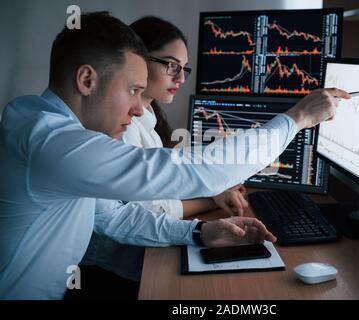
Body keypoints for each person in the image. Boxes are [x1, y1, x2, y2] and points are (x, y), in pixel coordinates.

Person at [0, 12, 350, 299]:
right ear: (87, 80)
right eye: (133, 91)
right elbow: (192, 171)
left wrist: (198, 233)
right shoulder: (50, 142)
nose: (139, 109)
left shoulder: (45, 128)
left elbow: (115, 218)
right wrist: (297, 119)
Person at [82, 16, 249, 286]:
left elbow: (159, 187)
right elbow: (152, 208)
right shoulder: (117, 125)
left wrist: (213, 192)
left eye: (184, 69)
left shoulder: (147, 117)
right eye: (172, 66)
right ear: (137, 59)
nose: (181, 78)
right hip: (106, 272)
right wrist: (210, 199)